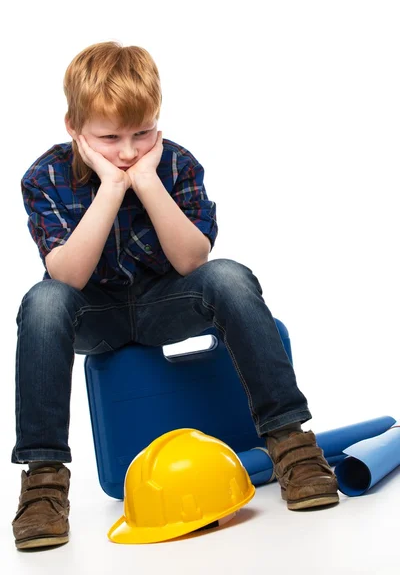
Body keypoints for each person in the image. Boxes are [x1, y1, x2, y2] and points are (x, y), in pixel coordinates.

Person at [11, 41, 338, 550]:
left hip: (167, 303)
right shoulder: (45, 176)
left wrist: (146, 181)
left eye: (142, 134)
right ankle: (44, 481)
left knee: (230, 275)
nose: (126, 151)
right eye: (109, 137)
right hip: (95, 314)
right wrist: (111, 189)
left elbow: (192, 262)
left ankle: (291, 444)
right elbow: (68, 277)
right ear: (74, 128)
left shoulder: (175, 163)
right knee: (43, 302)